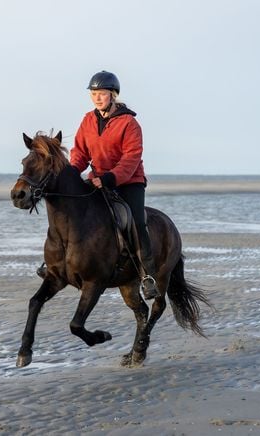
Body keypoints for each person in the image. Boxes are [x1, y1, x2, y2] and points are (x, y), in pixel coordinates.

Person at [37, 70, 159, 299]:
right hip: (97, 179)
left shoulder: (129, 123)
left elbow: (131, 158)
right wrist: (73, 172)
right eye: (93, 94)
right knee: (70, 214)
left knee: (136, 222)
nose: (96, 98)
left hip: (128, 182)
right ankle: (53, 264)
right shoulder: (88, 120)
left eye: (101, 94)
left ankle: (147, 275)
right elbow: (80, 152)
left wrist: (109, 179)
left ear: (113, 95)